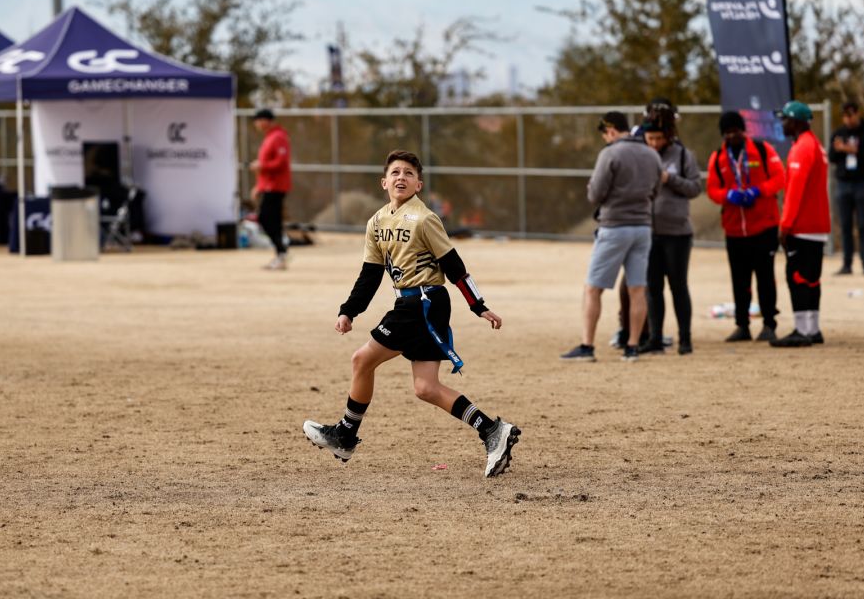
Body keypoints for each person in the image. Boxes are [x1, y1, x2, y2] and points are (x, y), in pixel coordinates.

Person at [301, 150, 520, 478]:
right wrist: (349, 310)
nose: (401, 177)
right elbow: (370, 274)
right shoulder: (376, 222)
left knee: (362, 360)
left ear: (419, 184)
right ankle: (492, 430)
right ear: (384, 182)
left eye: (408, 173)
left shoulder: (425, 219)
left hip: (423, 302)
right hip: (412, 302)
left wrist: (479, 306)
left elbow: (454, 266)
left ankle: (345, 435)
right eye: (395, 173)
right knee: (426, 388)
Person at [561, 110, 662, 362]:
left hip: (615, 226)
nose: (606, 139)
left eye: (606, 134)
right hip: (643, 227)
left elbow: (595, 194)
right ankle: (633, 347)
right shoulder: (651, 154)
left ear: (611, 130)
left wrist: (593, 189)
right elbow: (657, 189)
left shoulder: (610, 153)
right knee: (638, 289)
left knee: (592, 288)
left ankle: (587, 346)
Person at [706, 111, 785, 343]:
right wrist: (728, 195)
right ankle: (742, 325)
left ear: (744, 131)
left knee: (765, 277)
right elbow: (712, 190)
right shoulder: (717, 157)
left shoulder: (762, 150)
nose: (732, 136)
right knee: (739, 280)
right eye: (728, 133)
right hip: (734, 229)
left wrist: (758, 191)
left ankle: (769, 323)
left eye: (736, 131)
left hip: (763, 226)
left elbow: (779, 178)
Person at [640, 103, 702, 356]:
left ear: (668, 136)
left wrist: (670, 179)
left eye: (658, 138)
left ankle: (685, 339)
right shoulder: (641, 154)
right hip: (648, 232)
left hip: (677, 233)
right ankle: (655, 338)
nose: (654, 143)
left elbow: (695, 188)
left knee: (678, 286)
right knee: (652, 288)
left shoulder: (684, 155)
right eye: (649, 138)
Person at [771, 101, 831, 348]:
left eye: (785, 119)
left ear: (795, 121)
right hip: (816, 224)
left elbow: (795, 191)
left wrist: (785, 225)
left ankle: (803, 330)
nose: (782, 123)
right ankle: (812, 328)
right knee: (811, 278)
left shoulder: (802, 148)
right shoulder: (814, 144)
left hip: (803, 225)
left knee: (797, 277)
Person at [828, 101, 864, 275]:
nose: (848, 119)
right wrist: (840, 150)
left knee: (863, 225)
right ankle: (847, 264)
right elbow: (832, 156)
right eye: (845, 116)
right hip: (843, 183)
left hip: (861, 183)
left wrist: (853, 150)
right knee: (845, 225)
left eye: (851, 115)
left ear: (858, 114)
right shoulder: (839, 133)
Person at [249, 108, 292, 270]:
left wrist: (262, 166)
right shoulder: (269, 138)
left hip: (277, 185)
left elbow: (281, 162)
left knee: (267, 218)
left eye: (259, 119)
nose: (257, 123)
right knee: (270, 219)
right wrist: (259, 186)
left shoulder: (279, 137)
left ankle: (282, 252)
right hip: (268, 185)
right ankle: (281, 253)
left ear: (267, 120)